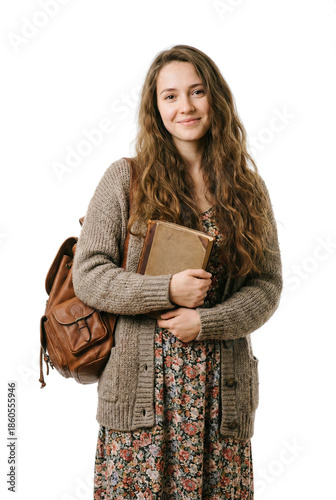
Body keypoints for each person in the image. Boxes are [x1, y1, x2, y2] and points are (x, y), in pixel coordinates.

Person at [72, 44, 282, 499]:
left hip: (217, 406)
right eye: (170, 96)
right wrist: (166, 289)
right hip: (141, 408)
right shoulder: (124, 179)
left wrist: (207, 321)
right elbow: (87, 273)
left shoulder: (247, 188)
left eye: (196, 92)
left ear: (216, 99)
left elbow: (267, 284)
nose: (185, 106)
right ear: (155, 108)